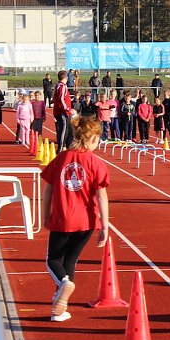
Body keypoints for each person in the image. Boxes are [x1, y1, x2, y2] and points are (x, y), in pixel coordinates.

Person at [41, 115, 110, 322]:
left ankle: (62, 286)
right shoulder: (96, 163)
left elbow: (48, 191)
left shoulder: (61, 158)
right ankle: (60, 307)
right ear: (92, 140)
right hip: (86, 221)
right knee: (70, 260)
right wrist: (104, 226)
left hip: (62, 217)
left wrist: (45, 216)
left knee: (53, 260)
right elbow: (101, 195)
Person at [53, 70, 76, 152]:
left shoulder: (59, 86)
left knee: (68, 129)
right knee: (63, 130)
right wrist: (68, 109)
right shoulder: (62, 86)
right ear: (66, 77)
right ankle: (60, 148)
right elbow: (61, 99)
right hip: (62, 112)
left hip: (61, 111)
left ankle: (68, 146)